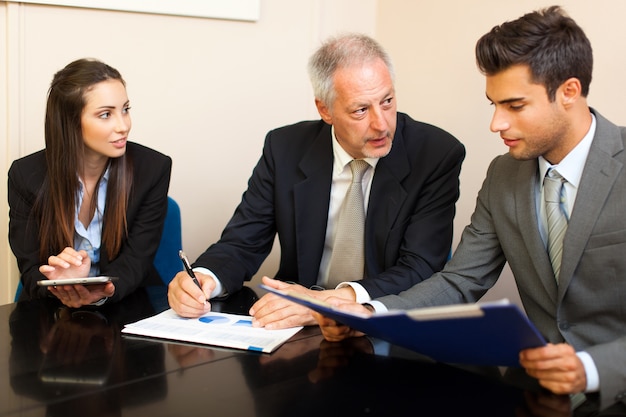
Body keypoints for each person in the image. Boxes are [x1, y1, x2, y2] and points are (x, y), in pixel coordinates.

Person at [313, 6, 626, 412]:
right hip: (533, 392)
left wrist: (593, 367)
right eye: (493, 104)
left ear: (568, 92)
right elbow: (460, 281)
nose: (496, 124)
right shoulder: (503, 175)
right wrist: (368, 313)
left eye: (514, 106)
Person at [167, 33, 465, 329]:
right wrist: (205, 278)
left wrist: (330, 303)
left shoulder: (435, 154)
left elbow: (421, 268)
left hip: (383, 324)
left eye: (387, 101)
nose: (381, 124)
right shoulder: (284, 148)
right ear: (325, 110)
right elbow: (242, 242)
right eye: (361, 110)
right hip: (293, 327)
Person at [8, 58, 172, 308]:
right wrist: (59, 283)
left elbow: (135, 262)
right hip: (52, 314)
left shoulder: (152, 169)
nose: (123, 125)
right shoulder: (25, 175)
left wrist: (98, 291)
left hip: (125, 306)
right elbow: (31, 270)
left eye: (125, 109)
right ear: (70, 122)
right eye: (106, 114)